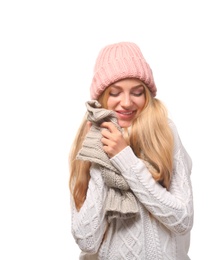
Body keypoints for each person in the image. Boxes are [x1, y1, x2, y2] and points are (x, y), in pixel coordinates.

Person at [69, 42, 193, 260]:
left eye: (137, 92)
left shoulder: (165, 134)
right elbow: (87, 241)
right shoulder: (88, 141)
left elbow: (182, 221)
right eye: (115, 93)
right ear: (101, 98)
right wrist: (101, 157)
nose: (126, 103)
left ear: (147, 95)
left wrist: (124, 158)